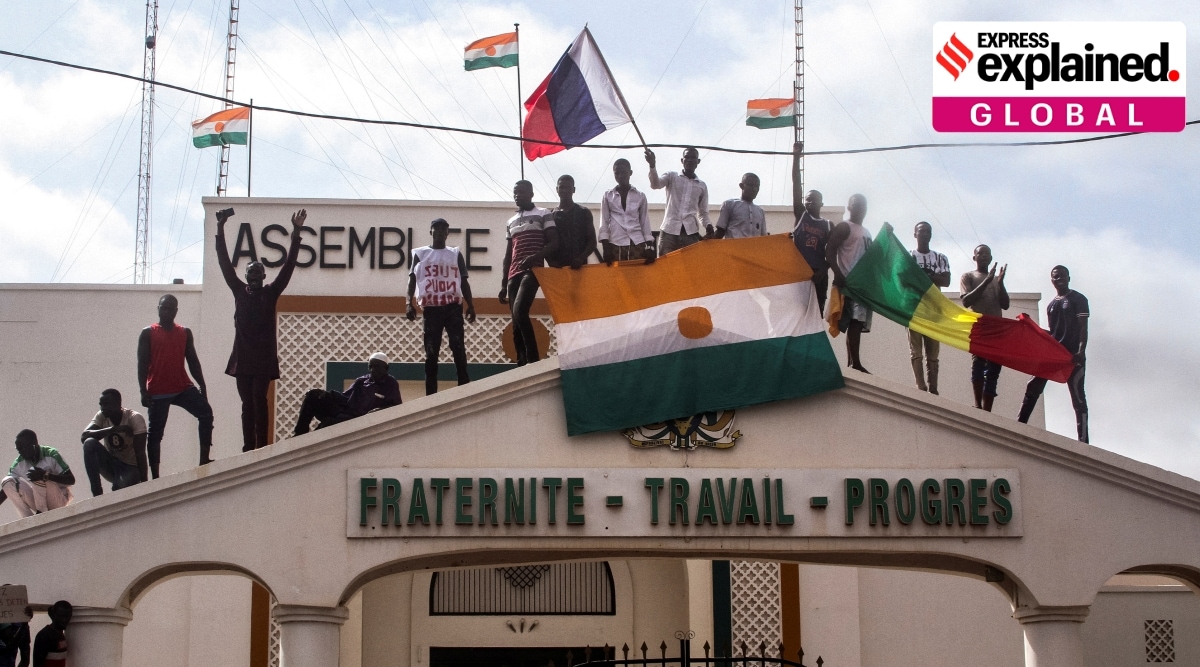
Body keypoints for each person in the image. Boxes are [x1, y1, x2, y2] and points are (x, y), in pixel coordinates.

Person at [215, 208, 306, 451]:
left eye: (258, 273)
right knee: (247, 404)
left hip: (263, 359)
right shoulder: (238, 290)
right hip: (243, 359)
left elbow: (288, 266)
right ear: (246, 276)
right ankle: (248, 447)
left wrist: (296, 232)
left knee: (259, 400)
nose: (254, 276)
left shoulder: (271, 293)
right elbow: (224, 262)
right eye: (250, 273)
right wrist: (220, 228)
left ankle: (262, 447)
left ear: (264, 276)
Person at [137, 294, 214, 474]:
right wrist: (143, 390)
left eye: (170, 308)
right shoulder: (148, 332)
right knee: (155, 434)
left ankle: (204, 459)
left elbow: (193, 361)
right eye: (163, 307)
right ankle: (155, 475)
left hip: (182, 387)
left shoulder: (184, 332)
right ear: (158, 309)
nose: (166, 311)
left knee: (206, 413)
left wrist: (202, 385)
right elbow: (142, 363)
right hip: (158, 390)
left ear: (176, 311)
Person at [1018, 266, 1090, 442]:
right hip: (1054, 354)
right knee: (1033, 386)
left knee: (1078, 397)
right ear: (1051, 280)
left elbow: (1083, 327)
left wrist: (1081, 350)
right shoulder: (1051, 305)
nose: (1059, 280)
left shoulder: (1078, 299)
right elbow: (1053, 333)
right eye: (1056, 277)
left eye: (1062, 276)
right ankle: (1019, 426)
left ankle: (1084, 440)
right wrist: (1030, 327)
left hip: (1072, 356)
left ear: (1069, 277)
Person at [406, 218, 477, 395]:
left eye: (443, 230)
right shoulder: (420, 254)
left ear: (447, 233)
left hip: (452, 306)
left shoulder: (454, 254)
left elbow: (464, 281)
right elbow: (412, 280)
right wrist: (409, 303)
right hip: (431, 309)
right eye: (436, 230)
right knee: (431, 351)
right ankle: (431, 394)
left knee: (458, 346)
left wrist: (471, 304)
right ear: (430, 231)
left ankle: (464, 387)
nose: (439, 233)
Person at [498, 181, 557, 366]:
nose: (517, 196)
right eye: (515, 193)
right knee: (515, 321)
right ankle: (521, 361)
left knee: (520, 311)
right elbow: (509, 254)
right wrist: (502, 284)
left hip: (533, 270)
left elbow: (554, 243)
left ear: (531, 193)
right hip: (513, 273)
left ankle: (533, 359)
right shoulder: (510, 221)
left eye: (521, 192)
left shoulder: (543, 213)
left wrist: (535, 257)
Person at [293, 353, 401, 435]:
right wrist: (324, 394)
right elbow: (345, 398)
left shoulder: (390, 383)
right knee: (313, 396)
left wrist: (379, 410)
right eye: (370, 366)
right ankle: (299, 434)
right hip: (346, 411)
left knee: (327, 423)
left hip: (360, 421)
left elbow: (396, 407)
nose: (373, 370)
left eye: (377, 367)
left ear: (386, 368)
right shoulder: (361, 381)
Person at [827, 194, 873, 373]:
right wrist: (838, 274)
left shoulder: (867, 232)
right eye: (856, 205)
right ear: (849, 207)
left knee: (857, 323)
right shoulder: (844, 227)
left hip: (863, 285)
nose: (860, 208)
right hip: (849, 282)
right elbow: (830, 250)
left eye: (863, 205)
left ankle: (852, 362)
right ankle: (855, 362)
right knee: (854, 321)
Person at [960, 245, 1009, 411]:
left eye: (987, 253)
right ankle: (978, 404)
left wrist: (1000, 284)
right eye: (980, 252)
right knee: (978, 365)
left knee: (994, 370)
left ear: (991, 257)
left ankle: (988, 409)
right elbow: (966, 301)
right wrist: (986, 281)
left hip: (996, 329)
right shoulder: (968, 276)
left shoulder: (996, 280)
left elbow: (1005, 304)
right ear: (974, 257)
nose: (984, 255)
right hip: (979, 326)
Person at [908, 222, 951, 394]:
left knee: (933, 353)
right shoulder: (909, 256)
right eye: (921, 231)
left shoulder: (940, 257)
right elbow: (905, 278)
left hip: (934, 310)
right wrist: (933, 277)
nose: (924, 234)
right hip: (914, 309)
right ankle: (920, 386)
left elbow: (946, 281)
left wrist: (923, 276)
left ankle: (933, 388)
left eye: (928, 231)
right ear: (915, 234)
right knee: (915, 350)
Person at [645, 147, 711, 256]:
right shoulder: (672, 176)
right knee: (665, 267)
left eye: (693, 158)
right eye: (687, 157)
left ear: (698, 162)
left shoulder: (702, 186)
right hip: (668, 232)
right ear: (682, 160)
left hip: (690, 234)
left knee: (689, 268)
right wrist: (652, 165)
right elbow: (655, 184)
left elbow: (703, 213)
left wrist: (708, 226)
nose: (689, 160)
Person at [81, 389, 148, 495]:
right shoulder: (101, 416)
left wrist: (145, 484)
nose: (103, 408)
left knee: (119, 489)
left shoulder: (134, 418)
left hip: (131, 467)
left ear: (118, 404)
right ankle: (97, 493)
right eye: (101, 405)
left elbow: (140, 453)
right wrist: (114, 429)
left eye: (106, 404)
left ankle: (121, 483)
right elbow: (84, 437)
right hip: (112, 464)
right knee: (89, 443)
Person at [790, 142, 831, 314]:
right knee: (798, 314)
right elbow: (796, 184)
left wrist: (823, 270)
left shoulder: (828, 225)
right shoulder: (801, 214)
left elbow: (833, 253)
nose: (810, 202)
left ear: (822, 203)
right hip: (800, 273)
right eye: (808, 199)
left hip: (818, 275)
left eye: (814, 200)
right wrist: (796, 157)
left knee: (816, 317)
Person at [0, 431, 74, 519]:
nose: (20, 453)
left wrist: (46, 475)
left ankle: (41, 512)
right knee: (7, 481)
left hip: (58, 500)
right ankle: (27, 518)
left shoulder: (51, 454)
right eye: (18, 449)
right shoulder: (19, 462)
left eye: (22, 449)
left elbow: (71, 480)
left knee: (35, 473)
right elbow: (7, 489)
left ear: (33, 445)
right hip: (38, 499)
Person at [599, 158, 654, 263]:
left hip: (637, 243)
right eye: (617, 173)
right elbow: (604, 222)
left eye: (623, 172)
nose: (620, 176)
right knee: (617, 277)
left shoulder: (640, 196)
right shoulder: (608, 196)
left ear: (630, 173)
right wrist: (606, 247)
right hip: (615, 244)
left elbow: (645, 221)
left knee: (637, 276)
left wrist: (649, 246)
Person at [547, 175, 597, 269]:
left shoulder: (584, 212)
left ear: (573, 189)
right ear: (556, 189)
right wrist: (551, 261)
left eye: (568, 187)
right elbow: (546, 242)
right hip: (558, 270)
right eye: (561, 187)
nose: (564, 190)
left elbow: (592, 241)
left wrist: (581, 258)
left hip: (579, 269)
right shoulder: (550, 215)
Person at [714, 173, 765, 239]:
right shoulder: (729, 204)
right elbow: (720, 231)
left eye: (757, 186)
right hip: (734, 248)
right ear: (741, 186)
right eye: (750, 185)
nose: (754, 189)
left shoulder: (760, 211)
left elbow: (764, 237)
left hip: (754, 248)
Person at [31, 601, 69, 667]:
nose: (64, 620)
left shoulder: (60, 634)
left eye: (67, 617)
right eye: (60, 616)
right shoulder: (44, 636)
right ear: (53, 615)